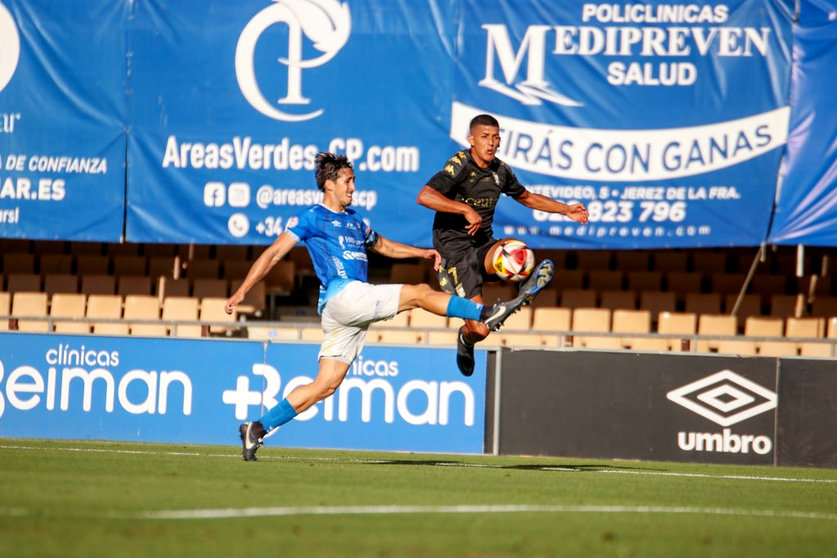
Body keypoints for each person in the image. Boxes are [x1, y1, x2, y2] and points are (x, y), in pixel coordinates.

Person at [226, 152, 551, 461]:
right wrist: (242, 290)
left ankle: (257, 428)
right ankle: (484, 313)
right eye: (348, 181)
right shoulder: (313, 217)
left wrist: (421, 252)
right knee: (419, 293)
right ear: (329, 185)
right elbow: (273, 254)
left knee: (325, 385)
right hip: (343, 296)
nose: (354, 187)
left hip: (346, 312)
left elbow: (383, 245)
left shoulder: (354, 221)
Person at [416, 113, 589, 377]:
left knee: (517, 252)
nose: (491, 143)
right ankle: (466, 337)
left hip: (483, 245)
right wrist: (464, 209)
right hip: (455, 253)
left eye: (496, 137)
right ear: (471, 140)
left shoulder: (500, 171)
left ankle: (520, 290)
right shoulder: (459, 165)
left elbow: (528, 197)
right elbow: (425, 196)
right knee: (480, 331)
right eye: (485, 137)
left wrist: (566, 210)